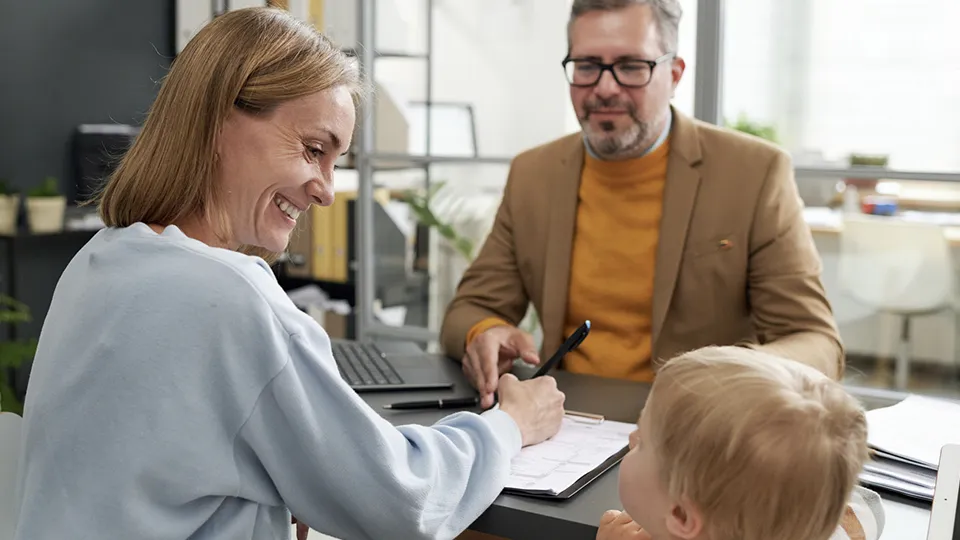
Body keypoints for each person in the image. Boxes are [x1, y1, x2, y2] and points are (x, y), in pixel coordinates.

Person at [13, 8, 566, 540]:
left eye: (335, 162)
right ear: (217, 120)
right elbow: (404, 500)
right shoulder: (229, 296)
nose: (326, 190)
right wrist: (509, 425)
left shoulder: (98, 259)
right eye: (312, 149)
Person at [440, 0, 843, 409]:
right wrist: (484, 333)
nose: (605, 88)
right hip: (563, 419)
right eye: (587, 66)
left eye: (632, 66)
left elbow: (816, 342)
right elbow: (470, 309)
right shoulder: (534, 174)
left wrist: (731, 377)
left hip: (693, 424)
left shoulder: (754, 173)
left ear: (674, 74)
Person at [596, 346, 883, 540]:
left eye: (644, 443)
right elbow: (862, 504)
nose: (632, 439)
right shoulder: (850, 519)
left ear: (681, 515)